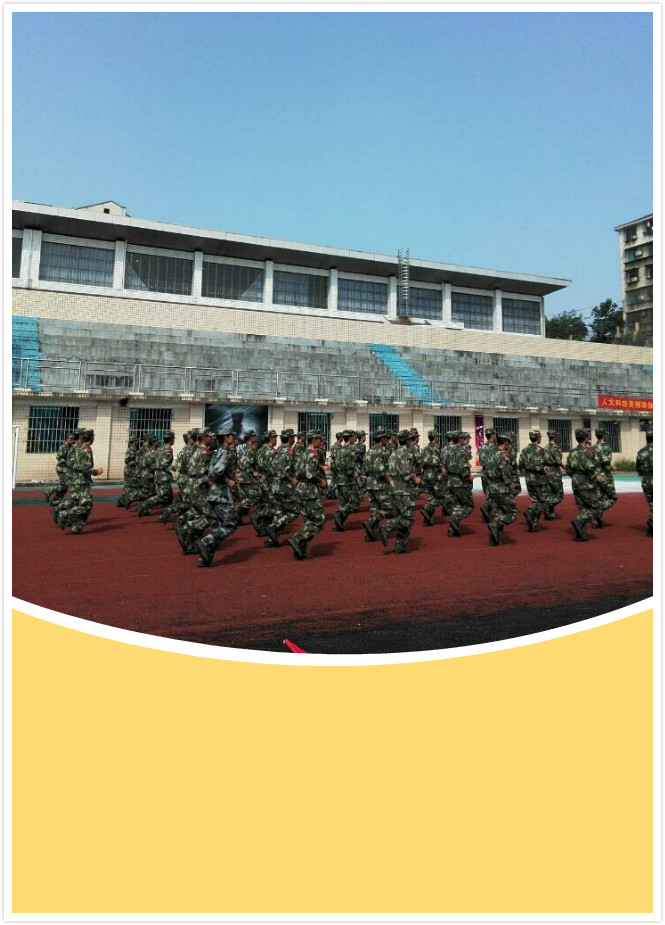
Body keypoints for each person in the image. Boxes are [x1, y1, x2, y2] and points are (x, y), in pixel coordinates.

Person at [195, 428, 241, 567]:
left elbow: (211, 471)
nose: (233, 437)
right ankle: (205, 542)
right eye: (231, 435)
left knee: (218, 527)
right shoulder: (226, 453)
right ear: (226, 438)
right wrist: (228, 481)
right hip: (222, 495)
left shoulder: (217, 452)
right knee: (230, 526)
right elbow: (217, 471)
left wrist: (232, 478)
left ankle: (205, 558)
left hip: (213, 494)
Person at [377, 429, 421, 554]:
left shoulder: (393, 453)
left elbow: (388, 471)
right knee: (408, 518)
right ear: (407, 441)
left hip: (394, 487)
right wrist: (415, 478)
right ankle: (387, 527)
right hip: (403, 489)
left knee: (401, 515)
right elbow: (406, 472)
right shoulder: (405, 454)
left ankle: (400, 544)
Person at [288, 430, 329, 560]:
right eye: (319, 439)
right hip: (310, 491)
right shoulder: (312, 455)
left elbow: (297, 471)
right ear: (314, 440)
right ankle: (297, 538)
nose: (321, 441)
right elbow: (310, 474)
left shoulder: (303, 453)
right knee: (319, 521)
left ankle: (300, 551)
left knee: (308, 522)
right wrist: (321, 481)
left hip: (300, 490)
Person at [56, 429, 104, 534]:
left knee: (80, 503)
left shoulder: (81, 448)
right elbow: (83, 467)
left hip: (77, 480)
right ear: (91, 438)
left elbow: (76, 465)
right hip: (82, 482)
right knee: (86, 505)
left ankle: (77, 527)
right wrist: (96, 471)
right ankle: (64, 515)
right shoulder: (86, 450)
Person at [565, 427, 605, 541]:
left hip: (575, 483)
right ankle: (579, 521)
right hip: (587, 484)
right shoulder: (588, 452)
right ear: (586, 438)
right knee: (596, 507)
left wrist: (575, 477)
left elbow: (568, 469)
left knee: (582, 508)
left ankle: (580, 534)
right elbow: (590, 468)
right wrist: (596, 476)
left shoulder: (572, 452)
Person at [265, 429, 300, 547]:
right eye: (293, 437)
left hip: (275, 486)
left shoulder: (278, 449)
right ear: (289, 438)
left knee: (280, 512)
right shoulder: (289, 450)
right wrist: (291, 479)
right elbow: (281, 469)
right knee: (294, 511)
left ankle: (272, 540)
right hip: (284, 487)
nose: (294, 439)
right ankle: (274, 527)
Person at [486, 434, 520, 546]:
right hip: (502, 488)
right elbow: (504, 470)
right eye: (508, 444)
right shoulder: (502, 455)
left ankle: (494, 538)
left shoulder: (491, 454)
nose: (509, 446)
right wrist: (510, 483)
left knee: (499, 513)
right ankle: (495, 525)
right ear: (505, 443)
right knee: (512, 513)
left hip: (492, 487)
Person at [363, 429, 395, 541]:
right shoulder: (380, 451)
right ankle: (371, 522)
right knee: (391, 509)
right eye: (386, 438)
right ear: (382, 439)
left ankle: (370, 534)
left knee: (375, 509)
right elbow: (379, 469)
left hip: (370, 483)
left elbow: (366, 468)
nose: (387, 440)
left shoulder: (369, 451)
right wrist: (389, 478)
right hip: (379, 484)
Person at [139, 430, 175, 518]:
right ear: (171, 439)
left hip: (158, 475)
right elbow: (164, 464)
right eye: (173, 438)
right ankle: (145, 504)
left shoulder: (160, 449)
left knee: (169, 497)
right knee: (163, 496)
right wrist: (172, 467)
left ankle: (164, 514)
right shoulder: (168, 450)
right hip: (163, 476)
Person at [445, 431, 474, 537]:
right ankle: (455, 519)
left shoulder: (447, 451)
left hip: (450, 481)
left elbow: (443, 465)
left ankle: (452, 529)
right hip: (460, 482)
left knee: (456, 506)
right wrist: (469, 477)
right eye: (463, 438)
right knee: (469, 505)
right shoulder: (462, 452)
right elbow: (463, 469)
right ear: (460, 439)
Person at [519, 429, 548, 532]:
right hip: (538, 479)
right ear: (538, 438)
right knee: (542, 501)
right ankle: (530, 512)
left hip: (528, 478)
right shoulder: (541, 450)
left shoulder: (524, 450)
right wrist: (545, 473)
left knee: (535, 500)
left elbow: (521, 465)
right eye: (540, 437)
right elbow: (541, 465)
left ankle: (533, 524)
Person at [332, 430, 360, 532]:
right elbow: (349, 467)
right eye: (353, 436)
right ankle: (339, 515)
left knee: (343, 503)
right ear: (350, 438)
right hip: (347, 481)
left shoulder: (339, 450)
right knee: (354, 502)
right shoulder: (349, 451)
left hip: (339, 479)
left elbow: (334, 465)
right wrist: (353, 473)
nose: (355, 438)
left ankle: (337, 525)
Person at [251, 429, 278, 536]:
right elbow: (272, 469)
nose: (276, 439)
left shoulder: (260, 450)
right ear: (270, 438)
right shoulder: (269, 452)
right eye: (274, 437)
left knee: (264, 504)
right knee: (273, 505)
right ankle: (258, 517)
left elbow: (256, 465)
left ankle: (263, 529)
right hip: (268, 480)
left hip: (262, 479)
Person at [421, 429, 446, 526]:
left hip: (426, 475)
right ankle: (427, 508)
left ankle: (427, 520)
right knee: (440, 497)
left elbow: (422, 463)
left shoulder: (425, 448)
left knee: (430, 497)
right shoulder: (436, 448)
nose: (438, 438)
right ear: (435, 437)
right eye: (437, 436)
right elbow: (436, 461)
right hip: (434, 475)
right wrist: (442, 467)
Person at [593, 426, 618, 525]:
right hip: (605, 476)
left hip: (595, 476)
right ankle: (597, 510)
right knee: (612, 497)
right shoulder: (605, 446)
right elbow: (605, 461)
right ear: (603, 435)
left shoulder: (592, 447)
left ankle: (596, 522)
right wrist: (612, 467)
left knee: (599, 498)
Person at [47, 431, 77, 509]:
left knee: (64, 487)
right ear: (66, 439)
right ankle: (50, 490)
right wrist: (67, 462)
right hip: (62, 469)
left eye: (73, 439)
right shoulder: (63, 447)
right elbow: (59, 457)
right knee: (65, 485)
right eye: (70, 438)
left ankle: (55, 501)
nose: (72, 440)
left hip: (68, 469)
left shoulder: (73, 447)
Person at [542, 430, 564, 520]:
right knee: (559, 495)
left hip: (547, 471)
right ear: (554, 436)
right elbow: (558, 461)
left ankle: (550, 513)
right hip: (555, 472)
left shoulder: (545, 447)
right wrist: (563, 466)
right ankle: (547, 507)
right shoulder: (556, 447)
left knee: (550, 493)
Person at [478, 427, 497, 522]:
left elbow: (482, 462)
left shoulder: (483, 447)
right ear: (492, 435)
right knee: (494, 495)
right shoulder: (495, 448)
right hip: (493, 474)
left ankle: (486, 516)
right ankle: (486, 509)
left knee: (488, 495)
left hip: (484, 473)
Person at [636, 431, 653, 537]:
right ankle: (652, 524)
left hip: (646, 481)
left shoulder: (641, 452)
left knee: (652, 504)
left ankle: (652, 527)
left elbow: (638, 469)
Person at [117, 436, 139, 509]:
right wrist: (135, 462)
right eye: (136, 441)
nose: (137, 442)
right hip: (130, 470)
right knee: (129, 485)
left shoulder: (134, 449)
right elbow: (127, 460)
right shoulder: (131, 450)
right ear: (133, 442)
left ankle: (122, 500)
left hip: (132, 470)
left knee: (128, 485)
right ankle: (123, 500)